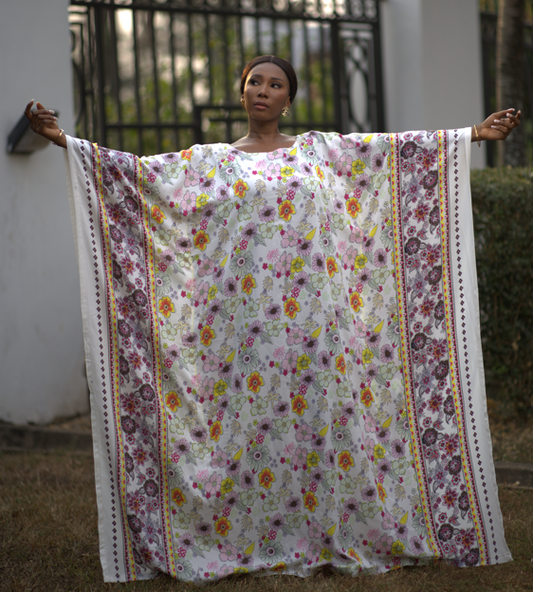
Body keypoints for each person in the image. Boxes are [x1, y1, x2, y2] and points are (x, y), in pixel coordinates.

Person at [26, 55, 520, 584]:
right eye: (254, 82)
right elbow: (142, 175)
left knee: (320, 429)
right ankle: (251, 533)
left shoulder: (317, 151)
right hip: (244, 331)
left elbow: (388, 152)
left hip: (319, 327)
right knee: (252, 430)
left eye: (275, 84)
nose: (263, 90)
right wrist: (65, 141)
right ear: (242, 94)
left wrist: (471, 133)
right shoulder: (210, 162)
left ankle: (332, 529)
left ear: (290, 98)